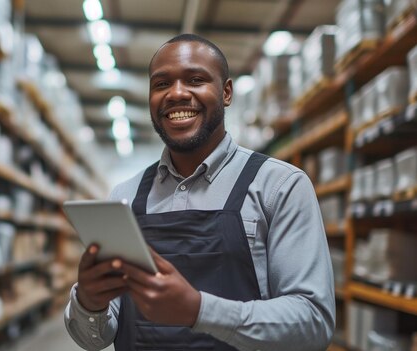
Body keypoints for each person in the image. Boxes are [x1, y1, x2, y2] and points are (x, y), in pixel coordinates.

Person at [64, 33, 335, 351]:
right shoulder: (124, 196)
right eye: (161, 84)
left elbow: (314, 322)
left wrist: (199, 311)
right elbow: (94, 339)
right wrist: (89, 303)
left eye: (195, 79)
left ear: (226, 92)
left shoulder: (279, 186)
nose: (176, 94)